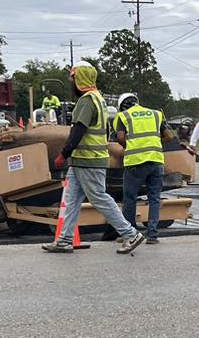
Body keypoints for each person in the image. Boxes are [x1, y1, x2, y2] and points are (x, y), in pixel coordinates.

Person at [42, 64, 145, 254]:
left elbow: (78, 130)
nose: (71, 82)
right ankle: (64, 240)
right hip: (82, 160)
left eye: (73, 78)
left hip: (88, 160)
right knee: (72, 200)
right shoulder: (99, 98)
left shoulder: (87, 100)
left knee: (99, 197)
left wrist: (63, 154)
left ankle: (130, 234)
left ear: (80, 79)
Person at [114, 91, 174, 245]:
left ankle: (131, 234)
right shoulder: (155, 114)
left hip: (135, 162)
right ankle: (152, 235)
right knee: (154, 198)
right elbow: (169, 136)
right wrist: (152, 144)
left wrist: (130, 146)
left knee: (130, 198)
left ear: (122, 106)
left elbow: (120, 137)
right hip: (155, 161)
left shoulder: (123, 116)